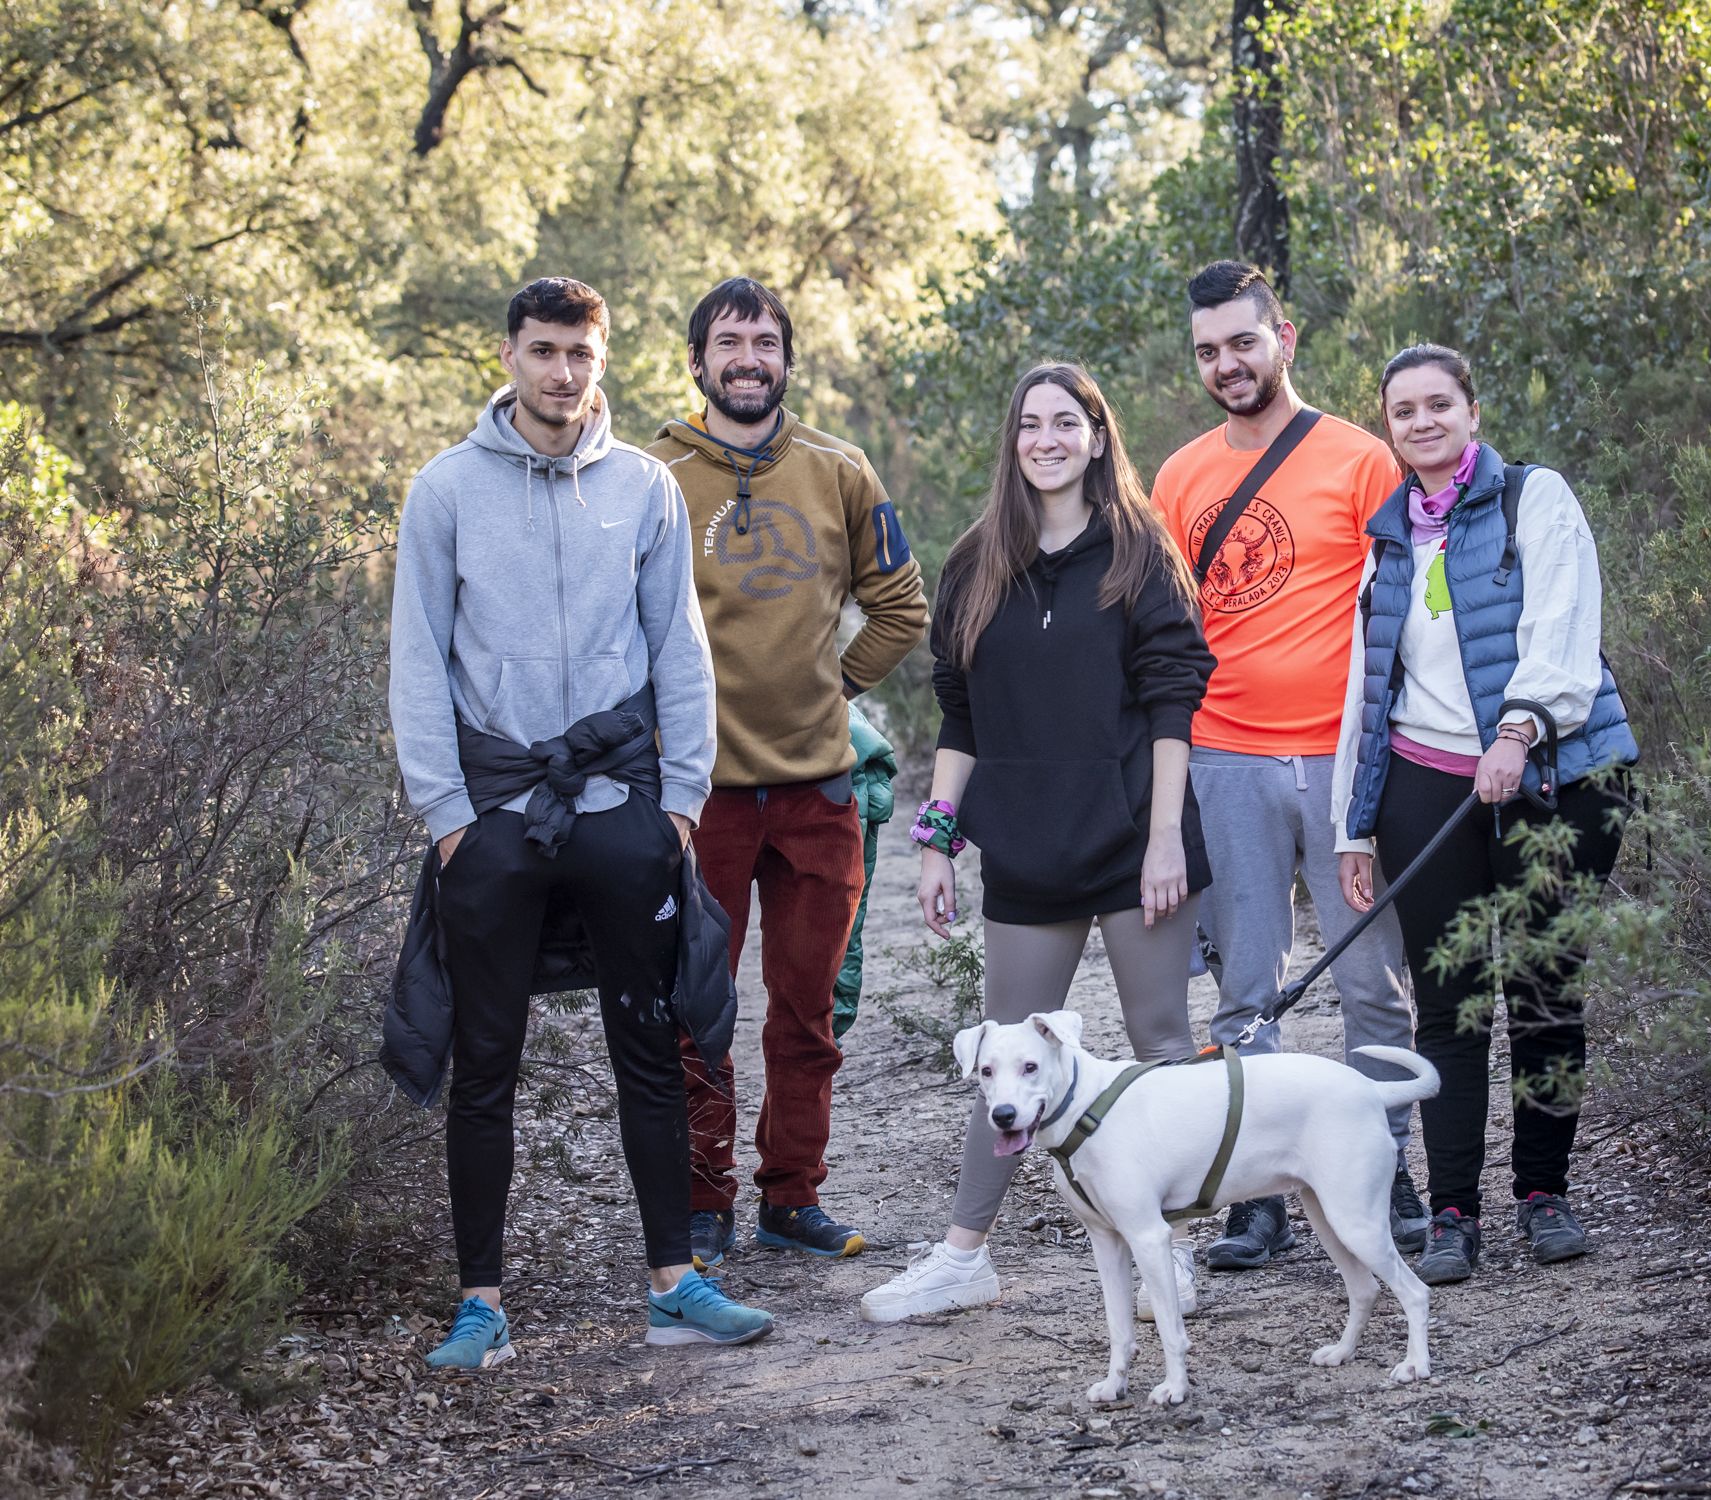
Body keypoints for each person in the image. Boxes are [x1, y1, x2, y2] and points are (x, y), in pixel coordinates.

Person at [388, 277, 771, 1369]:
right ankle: (482, 1306)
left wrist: (682, 807)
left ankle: (671, 1282)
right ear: (507, 354)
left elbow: (678, 652)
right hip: (496, 811)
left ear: (603, 361)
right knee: (487, 1060)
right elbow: (417, 661)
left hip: (617, 806)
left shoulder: (645, 488)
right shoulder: (445, 490)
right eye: (544, 349)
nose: (563, 372)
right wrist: (448, 816)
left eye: (581, 354)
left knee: (649, 1047)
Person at [859, 361, 1217, 1325]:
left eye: (1068, 422)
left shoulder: (1143, 552)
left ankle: (1169, 1256)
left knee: (1161, 1049)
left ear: (1100, 437)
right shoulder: (978, 559)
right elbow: (961, 714)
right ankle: (962, 1256)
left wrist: (1165, 841)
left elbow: (1176, 700)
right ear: (1012, 441)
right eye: (1030, 424)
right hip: (1028, 849)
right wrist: (935, 838)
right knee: (1005, 1061)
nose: (1047, 439)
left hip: (1137, 841)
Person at [1330, 342, 1640, 1286]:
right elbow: (1363, 693)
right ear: (1388, 427)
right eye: (1403, 411)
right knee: (1449, 1006)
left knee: (1545, 987)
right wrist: (1354, 823)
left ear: (1471, 407)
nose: (1421, 423)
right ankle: (1455, 1212)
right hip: (1427, 790)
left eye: (1437, 404)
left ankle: (1544, 1193)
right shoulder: (1386, 540)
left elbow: (1563, 631)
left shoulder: (1531, 500)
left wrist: (1519, 728)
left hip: (1557, 780)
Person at [1150, 261, 1428, 1271]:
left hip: (1345, 761)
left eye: (1241, 342)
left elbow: (1406, 612)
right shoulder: (1178, 477)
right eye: (1208, 350)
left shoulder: (1361, 462)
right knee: (1243, 990)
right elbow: (1166, 627)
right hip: (1223, 754)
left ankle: (1380, 1167)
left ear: (1285, 338)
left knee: (1369, 981)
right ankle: (1253, 1190)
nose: (1226, 364)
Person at [647, 277, 929, 1266]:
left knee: (807, 1013)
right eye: (729, 341)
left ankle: (790, 1195)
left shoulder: (838, 470)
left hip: (817, 792)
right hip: (695, 799)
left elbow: (901, 607)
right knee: (695, 1012)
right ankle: (697, 1203)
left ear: (785, 359)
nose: (748, 358)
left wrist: (831, 690)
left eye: (764, 341)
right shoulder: (650, 474)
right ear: (697, 361)